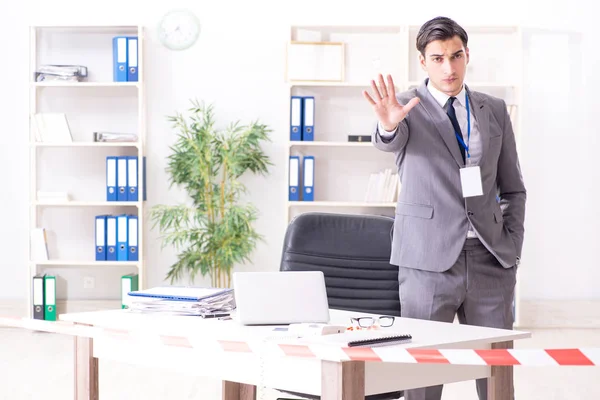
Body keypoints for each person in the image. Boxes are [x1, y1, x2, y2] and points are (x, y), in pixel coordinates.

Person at [363, 16, 526, 400]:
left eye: (456, 56)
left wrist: (512, 247)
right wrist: (388, 126)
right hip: (427, 261)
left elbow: (513, 188)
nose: (448, 68)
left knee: (497, 380)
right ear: (423, 62)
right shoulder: (403, 106)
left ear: (467, 55)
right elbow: (389, 139)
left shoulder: (495, 109)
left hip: (490, 258)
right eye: (437, 58)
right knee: (420, 381)